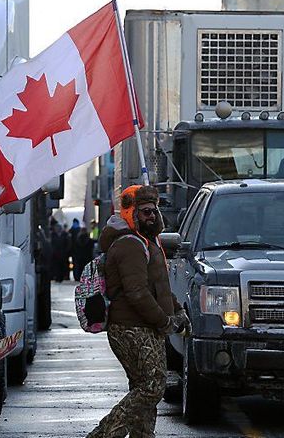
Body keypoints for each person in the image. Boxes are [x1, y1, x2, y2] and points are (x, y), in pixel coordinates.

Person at [86, 185, 189, 438]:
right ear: (130, 212)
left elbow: (158, 288)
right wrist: (165, 320)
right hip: (131, 327)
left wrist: (177, 310)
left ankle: (143, 435)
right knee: (153, 386)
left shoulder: (147, 242)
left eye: (154, 211)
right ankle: (103, 434)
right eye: (145, 212)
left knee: (143, 386)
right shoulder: (130, 244)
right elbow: (137, 293)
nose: (151, 216)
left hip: (144, 326)